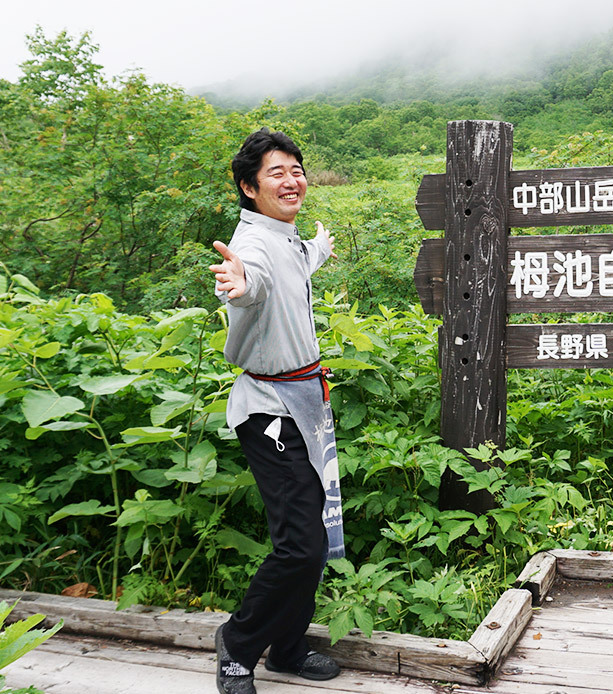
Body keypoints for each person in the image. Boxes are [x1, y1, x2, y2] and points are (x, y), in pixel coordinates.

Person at [209, 128, 344, 694]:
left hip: (304, 403)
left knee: (309, 537)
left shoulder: (284, 236)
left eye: (296, 169)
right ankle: (238, 647)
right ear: (248, 187)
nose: (291, 181)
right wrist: (237, 286)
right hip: (270, 410)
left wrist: (320, 245)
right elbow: (252, 282)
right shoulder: (255, 247)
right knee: (301, 545)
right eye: (275, 173)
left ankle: (286, 649)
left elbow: (297, 262)